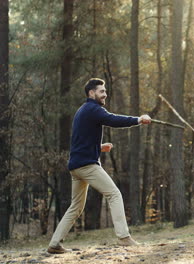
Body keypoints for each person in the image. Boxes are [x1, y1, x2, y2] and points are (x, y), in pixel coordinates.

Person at [47, 78, 152, 254]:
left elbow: (79, 139)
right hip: (87, 166)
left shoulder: (83, 110)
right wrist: (139, 119)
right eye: (101, 91)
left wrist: (99, 147)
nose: (105, 94)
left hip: (76, 166)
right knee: (114, 194)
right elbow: (113, 119)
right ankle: (124, 237)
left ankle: (54, 244)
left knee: (76, 207)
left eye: (105, 91)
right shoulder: (93, 109)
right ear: (91, 93)